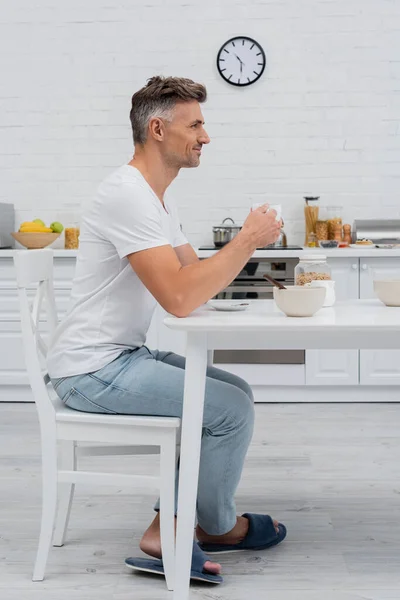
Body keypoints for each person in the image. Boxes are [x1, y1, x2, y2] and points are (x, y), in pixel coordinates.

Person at [47, 75, 287, 584]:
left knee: (234, 392)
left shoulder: (158, 197)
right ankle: (186, 529)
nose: (206, 136)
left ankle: (200, 522)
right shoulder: (126, 195)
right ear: (158, 128)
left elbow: (193, 281)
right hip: (90, 370)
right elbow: (179, 296)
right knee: (228, 409)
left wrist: (245, 247)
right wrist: (245, 240)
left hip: (124, 355)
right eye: (195, 123)